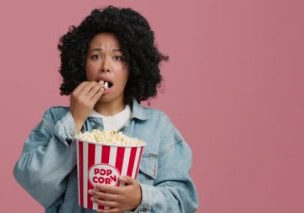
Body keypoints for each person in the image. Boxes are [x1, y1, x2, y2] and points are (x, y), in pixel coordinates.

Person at [13, 5, 198, 213]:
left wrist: (140, 198)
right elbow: (33, 180)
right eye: (95, 56)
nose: (105, 66)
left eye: (118, 57)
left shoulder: (158, 127)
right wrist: (73, 121)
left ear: (133, 67)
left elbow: (184, 201)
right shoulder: (56, 119)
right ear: (81, 64)